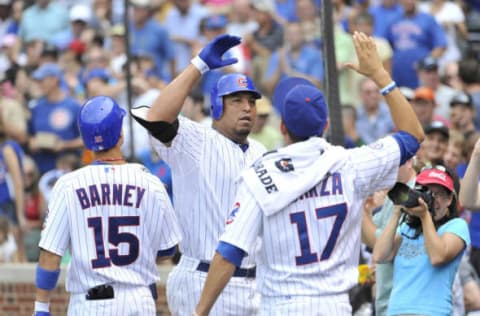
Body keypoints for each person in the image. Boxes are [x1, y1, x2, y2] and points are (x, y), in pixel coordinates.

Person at [194, 31, 425, 315]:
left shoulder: (260, 175)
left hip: (282, 306)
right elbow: (413, 135)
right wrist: (379, 75)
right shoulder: (350, 164)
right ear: (325, 124)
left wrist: (199, 312)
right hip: (334, 306)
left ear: (282, 128)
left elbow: (229, 252)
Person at [131, 34, 267, 315]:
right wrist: (199, 65)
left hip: (255, 281)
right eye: (236, 100)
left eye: (251, 102)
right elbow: (156, 117)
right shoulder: (196, 140)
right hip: (201, 277)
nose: (246, 108)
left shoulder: (262, 151)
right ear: (216, 106)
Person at [33, 96, 182, 316]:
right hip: (138, 300)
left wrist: (41, 308)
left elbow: (50, 256)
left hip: (90, 304)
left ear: (85, 141)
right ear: (120, 135)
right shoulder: (150, 182)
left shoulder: (68, 184)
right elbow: (168, 250)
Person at [373, 166, 470, 315]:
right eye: (425, 192)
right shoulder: (407, 228)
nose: (431, 199)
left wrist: (425, 216)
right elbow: (380, 255)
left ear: (449, 199)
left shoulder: (456, 226)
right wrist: (396, 213)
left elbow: (438, 257)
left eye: (436, 194)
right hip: (396, 311)